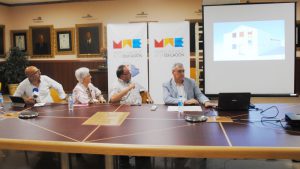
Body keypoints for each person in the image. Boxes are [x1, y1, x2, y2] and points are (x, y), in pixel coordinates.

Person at [110, 64, 152, 169]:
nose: (130, 74)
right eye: (128, 73)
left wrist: (149, 98)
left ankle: (142, 163)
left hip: (138, 116)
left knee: (141, 142)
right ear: (122, 75)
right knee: (123, 144)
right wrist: (128, 88)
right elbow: (113, 99)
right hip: (123, 117)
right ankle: (124, 164)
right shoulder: (115, 85)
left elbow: (145, 91)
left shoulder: (134, 83)